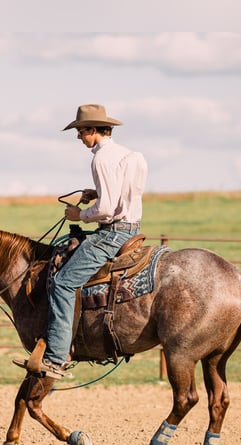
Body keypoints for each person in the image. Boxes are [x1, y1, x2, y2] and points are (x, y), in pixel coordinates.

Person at [17, 103, 148, 379]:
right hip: (131, 227)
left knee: (63, 282)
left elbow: (106, 210)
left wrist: (80, 214)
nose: (79, 137)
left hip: (112, 232)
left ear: (93, 130)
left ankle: (56, 356)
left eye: (80, 131)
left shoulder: (100, 159)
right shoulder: (129, 155)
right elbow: (123, 196)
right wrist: (96, 193)